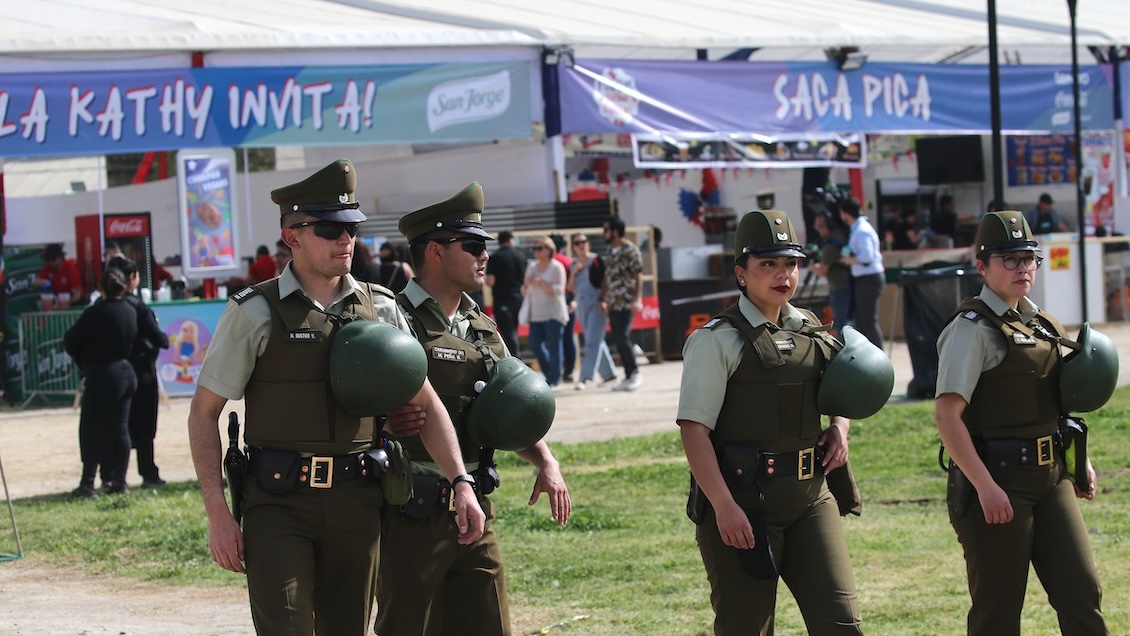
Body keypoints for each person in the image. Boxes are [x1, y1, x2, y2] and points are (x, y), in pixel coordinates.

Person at [186, 159, 484, 636]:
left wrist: (462, 483)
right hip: (278, 504)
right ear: (292, 236)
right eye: (329, 229)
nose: (345, 239)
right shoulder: (254, 312)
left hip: (358, 502)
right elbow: (204, 414)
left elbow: (425, 403)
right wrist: (217, 513)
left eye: (351, 228)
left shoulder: (380, 307)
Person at [377, 181, 571, 635]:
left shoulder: (481, 328)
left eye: (484, 244)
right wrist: (382, 424)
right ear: (435, 252)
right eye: (472, 245)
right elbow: (352, 403)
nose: (484, 255)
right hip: (411, 511)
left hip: (473, 508)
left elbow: (507, 412)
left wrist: (546, 459)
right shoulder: (393, 318)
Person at [677, 209, 864, 635]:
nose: (783, 275)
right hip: (743, 504)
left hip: (811, 500)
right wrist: (724, 507)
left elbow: (844, 390)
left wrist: (840, 427)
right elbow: (694, 431)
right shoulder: (715, 340)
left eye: (791, 264)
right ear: (742, 274)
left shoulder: (812, 329)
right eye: (768, 265)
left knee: (843, 625)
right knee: (747, 627)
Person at [934, 210, 1107, 635]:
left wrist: (1077, 460)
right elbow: (947, 416)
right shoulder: (971, 330)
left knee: (1082, 593)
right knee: (998, 610)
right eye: (1009, 259)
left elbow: (1056, 405)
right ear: (982, 265)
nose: (1023, 268)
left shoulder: (1043, 322)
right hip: (998, 483)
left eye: (1029, 258)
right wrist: (985, 486)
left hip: (1052, 479)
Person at [63, 267, 138, 498]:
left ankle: (87, 483)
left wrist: (84, 361)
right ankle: (121, 480)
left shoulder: (96, 312)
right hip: (126, 372)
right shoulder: (130, 310)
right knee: (121, 427)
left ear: (101, 288)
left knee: (90, 429)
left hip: (101, 373)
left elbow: (71, 340)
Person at [109, 255, 170, 489]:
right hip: (141, 370)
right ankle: (149, 473)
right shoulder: (137, 306)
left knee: (118, 424)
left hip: (115, 372)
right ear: (132, 278)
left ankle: (114, 474)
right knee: (144, 426)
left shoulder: (102, 307)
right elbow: (160, 339)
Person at [600, 216, 644, 392]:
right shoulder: (610, 251)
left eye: (606, 230)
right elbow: (606, 277)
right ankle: (627, 375)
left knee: (623, 337)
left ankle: (635, 372)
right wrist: (603, 298)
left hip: (626, 301)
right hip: (613, 302)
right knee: (618, 339)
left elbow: (638, 274)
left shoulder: (630, 249)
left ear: (615, 231)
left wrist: (637, 298)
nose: (604, 233)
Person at [568, 232, 617, 390]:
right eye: (577, 243)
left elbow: (605, 281)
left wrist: (603, 300)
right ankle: (609, 373)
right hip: (582, 303)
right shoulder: (572, 264)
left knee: (591, 342)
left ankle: (585, 376)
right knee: (594, 339)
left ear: (588, 243)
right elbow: (569, 288)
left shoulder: (596, 260)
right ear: (573, 247)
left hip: (596, 301)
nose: (581, 245)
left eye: (583, 241)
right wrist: (575, 271)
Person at [839, 198, 885, 349]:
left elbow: (866, 257)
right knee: (861, 321)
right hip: (864, 279)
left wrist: (849, 260)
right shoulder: (858, 228)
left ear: (846, 213)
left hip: (869, 279)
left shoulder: (861, 230)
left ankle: (879, 358)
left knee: (868, 321)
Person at [523, 236, 569, 387]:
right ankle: (549, 372)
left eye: (540, 248)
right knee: (534, 343)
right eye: (534, 248)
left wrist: (540, 282)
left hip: (554, 312)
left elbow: (558, 291)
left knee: (554, 345)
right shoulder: (531, 266)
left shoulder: (557, 267)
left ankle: (554, 378)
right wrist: (527, 285)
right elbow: (524, 289)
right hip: (536, 313)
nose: (536, 251)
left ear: (549, 250)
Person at [808, 212, 852, 337]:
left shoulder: (830, 246)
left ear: (829, 226)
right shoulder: (839, 237)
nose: (819, 230)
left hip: (840, 287)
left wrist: (812, 267)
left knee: (842, 324)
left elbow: (822, 271)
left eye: (821, 226)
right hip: (845, 285)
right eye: (817, 227)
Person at [486, 231, 526, 357]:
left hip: (502, 300)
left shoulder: (496, 257)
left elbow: (490, 281)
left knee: (508, 332)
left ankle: (515, 359)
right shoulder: (520, 256)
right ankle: (516, 357)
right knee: (514, 330)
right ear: (510, 240)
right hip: (519, 298)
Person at [551, 234, 578, 383]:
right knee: (569, 337)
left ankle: (556, 370)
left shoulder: (550, 262)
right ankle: (569, 370)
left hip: (554, 300)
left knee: (555, 338)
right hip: (569, 299)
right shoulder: (569, 261)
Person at [36, 243, 84, 307]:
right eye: (48, 260)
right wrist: (41, 282)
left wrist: (66, 303)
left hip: (74, 301)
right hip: (57, 300)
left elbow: (77, 296)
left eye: (53, 259)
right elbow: (37, 282)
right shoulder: (47, 267)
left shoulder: (71, 270)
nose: (50, 262)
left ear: (60, 258)